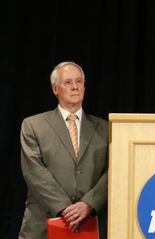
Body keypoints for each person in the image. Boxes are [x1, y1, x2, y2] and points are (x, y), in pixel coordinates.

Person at [19, 61, 108, 238]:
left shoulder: (105, 128)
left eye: (79, 82)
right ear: (55, 89)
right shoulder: (33, 125)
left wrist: (89, 204)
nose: (75, 87)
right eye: (68, 82)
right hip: (42, 224)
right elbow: (34, 172)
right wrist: (66, 208)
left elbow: (113, 171)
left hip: (90, 223)